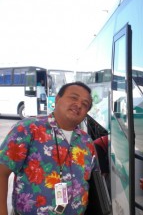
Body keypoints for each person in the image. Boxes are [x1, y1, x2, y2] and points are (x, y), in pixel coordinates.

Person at [0, 81, 100, 215]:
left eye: (85, 104)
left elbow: (92, 182)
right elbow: (2, 172)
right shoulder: (28, 128)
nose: (78, 105)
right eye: (73, 98)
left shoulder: (86, 141)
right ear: (58, 99)